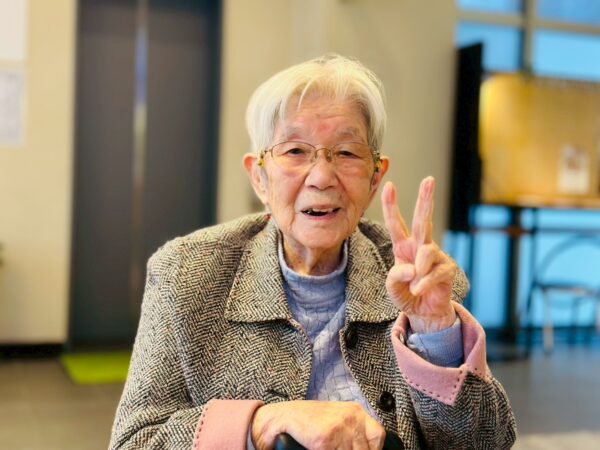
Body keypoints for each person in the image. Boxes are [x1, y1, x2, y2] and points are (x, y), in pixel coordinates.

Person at [109, 54, 516, 450]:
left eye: (347, 153)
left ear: (375, 179)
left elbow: (485, 443)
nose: (322, 177)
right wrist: (262, 423)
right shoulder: (185, 276)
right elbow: (134, 441)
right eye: (295, 151)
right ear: (259, 177)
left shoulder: (419, 280)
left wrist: (435, 334)